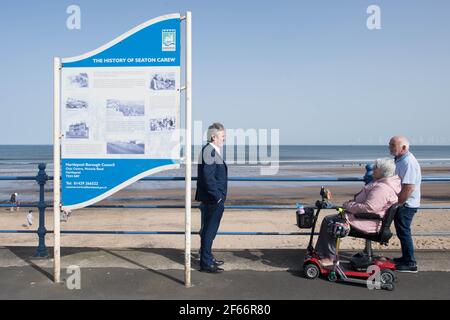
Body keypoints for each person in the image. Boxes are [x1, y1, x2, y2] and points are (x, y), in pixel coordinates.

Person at [315, 158, 401, 266]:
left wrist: (348, 205)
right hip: (367, 219)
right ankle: (321, 253)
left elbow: (369, 208)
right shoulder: (383, 183)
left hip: (367, 222)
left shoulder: (382, 188)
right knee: (329, 219)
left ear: (383, 172)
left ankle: (329, 258)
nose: (373, 169)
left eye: (376, 168)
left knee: (331, 223)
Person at [195, 123, 228, 273]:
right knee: (209, 231)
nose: (224, 139)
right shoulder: (209, 152)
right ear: (213, 137)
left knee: (209, 231)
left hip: (212, 199)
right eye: (222, 136)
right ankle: (206, 263)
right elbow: (208, 178)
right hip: (212, 200)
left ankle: (208, 257)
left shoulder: (210, 150)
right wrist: (218, 198)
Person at [389, 136, 422, 273]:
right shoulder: (400, 159)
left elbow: (408, 187)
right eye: (390, 145)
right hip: (404, 203)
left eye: (393, 145)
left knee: (404, 232)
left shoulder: (408, 162)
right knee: (402, 232)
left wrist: (397, 204)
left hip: (406, 204)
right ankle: (405, 258)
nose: (390, 148)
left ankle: (410, 262)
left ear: (404, 147)